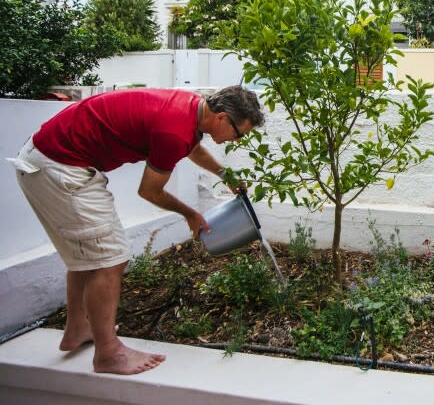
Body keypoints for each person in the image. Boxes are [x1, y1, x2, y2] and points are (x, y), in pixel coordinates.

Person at [12, 86, 264, 375]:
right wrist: (190, 214)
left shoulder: (190, 106)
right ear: (221, 118)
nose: (237, 140)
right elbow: (150, 191)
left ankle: (78, 328)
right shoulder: (173, 132)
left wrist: (224, 174)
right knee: (111, 256)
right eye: (239, 133)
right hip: (61, 166)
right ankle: (108, 353)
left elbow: (191, 147)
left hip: (48, 156)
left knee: (87, 254)